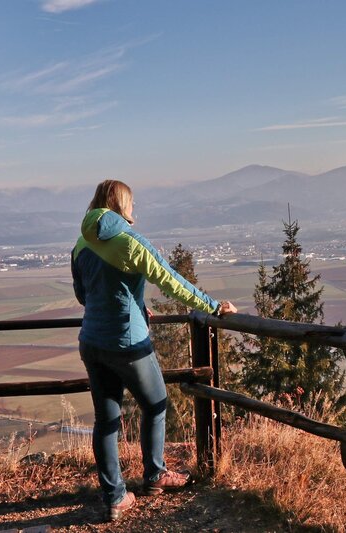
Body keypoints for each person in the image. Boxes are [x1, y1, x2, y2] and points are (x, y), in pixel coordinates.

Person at [71, 179, 237, 521]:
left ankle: (115, 497)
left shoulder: (80, 244)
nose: (134, 211)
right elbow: (171, 281)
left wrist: (133, 302)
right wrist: (212, 305)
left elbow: (84, 295)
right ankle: (155, 475)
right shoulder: (131, 243)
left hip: (91, 341)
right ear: (122, 206)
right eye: (131, 204)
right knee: (157, 404)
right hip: (127, 343)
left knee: (106, 421)